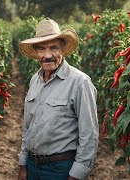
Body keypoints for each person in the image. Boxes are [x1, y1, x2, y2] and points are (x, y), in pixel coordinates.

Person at [17, 19, 99, 180]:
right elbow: (28, 127)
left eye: (53, 48)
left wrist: (76, 175)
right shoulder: (35, 80)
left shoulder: (80, 83)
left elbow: (89, 135)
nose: (47, 55)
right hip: (32, 166)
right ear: (36, 52)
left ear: (63, 49)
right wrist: (23, 164)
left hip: (60, 168)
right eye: (41, 49)